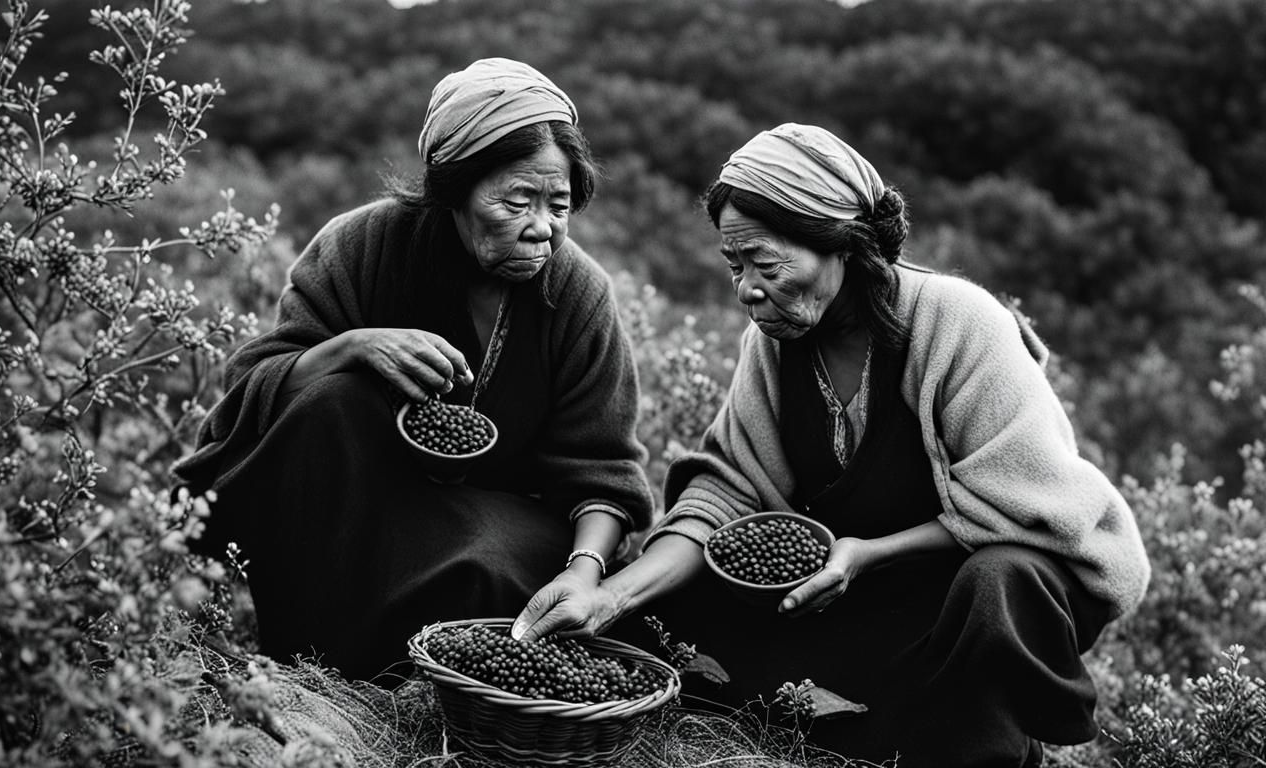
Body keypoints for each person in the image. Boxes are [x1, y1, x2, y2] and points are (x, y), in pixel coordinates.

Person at [512, 123, 1151, 767]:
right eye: (735, 266)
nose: (746, 290)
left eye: (766, 263)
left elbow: (1029, 509)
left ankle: (990, 733)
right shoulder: (775, 343)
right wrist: (608, 594)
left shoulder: (958, 324)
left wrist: (870, 553)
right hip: (860, 585)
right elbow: (725, 491)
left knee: (997, 585)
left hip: (987, 577)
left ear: (840, 243)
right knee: (676, 608)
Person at [171, 58, 654, 683]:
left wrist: (585, 570)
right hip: (357, 505)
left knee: (483, 572)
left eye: (558, 204)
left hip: (493, 519)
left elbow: (605, 473)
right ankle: (307, 670)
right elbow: (254, 389)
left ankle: (399, 680)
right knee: (331, 399)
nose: (542, 228)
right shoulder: (363, 246)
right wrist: (350, 347)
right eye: (516, 201)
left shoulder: (579, 295)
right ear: (452, 190)